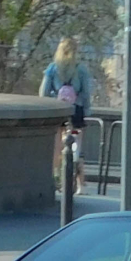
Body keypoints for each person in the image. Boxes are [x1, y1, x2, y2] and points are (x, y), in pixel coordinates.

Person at [40, 38, 94, 191]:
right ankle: (79, 184)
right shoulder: (80, 69)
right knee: (77, 147)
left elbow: (43, 92)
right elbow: (86, 92)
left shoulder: (52, 68)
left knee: (57, 147)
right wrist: (86, 109)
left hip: (58, 111)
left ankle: (54, 178)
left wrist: (54, 100)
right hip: (76, 111)